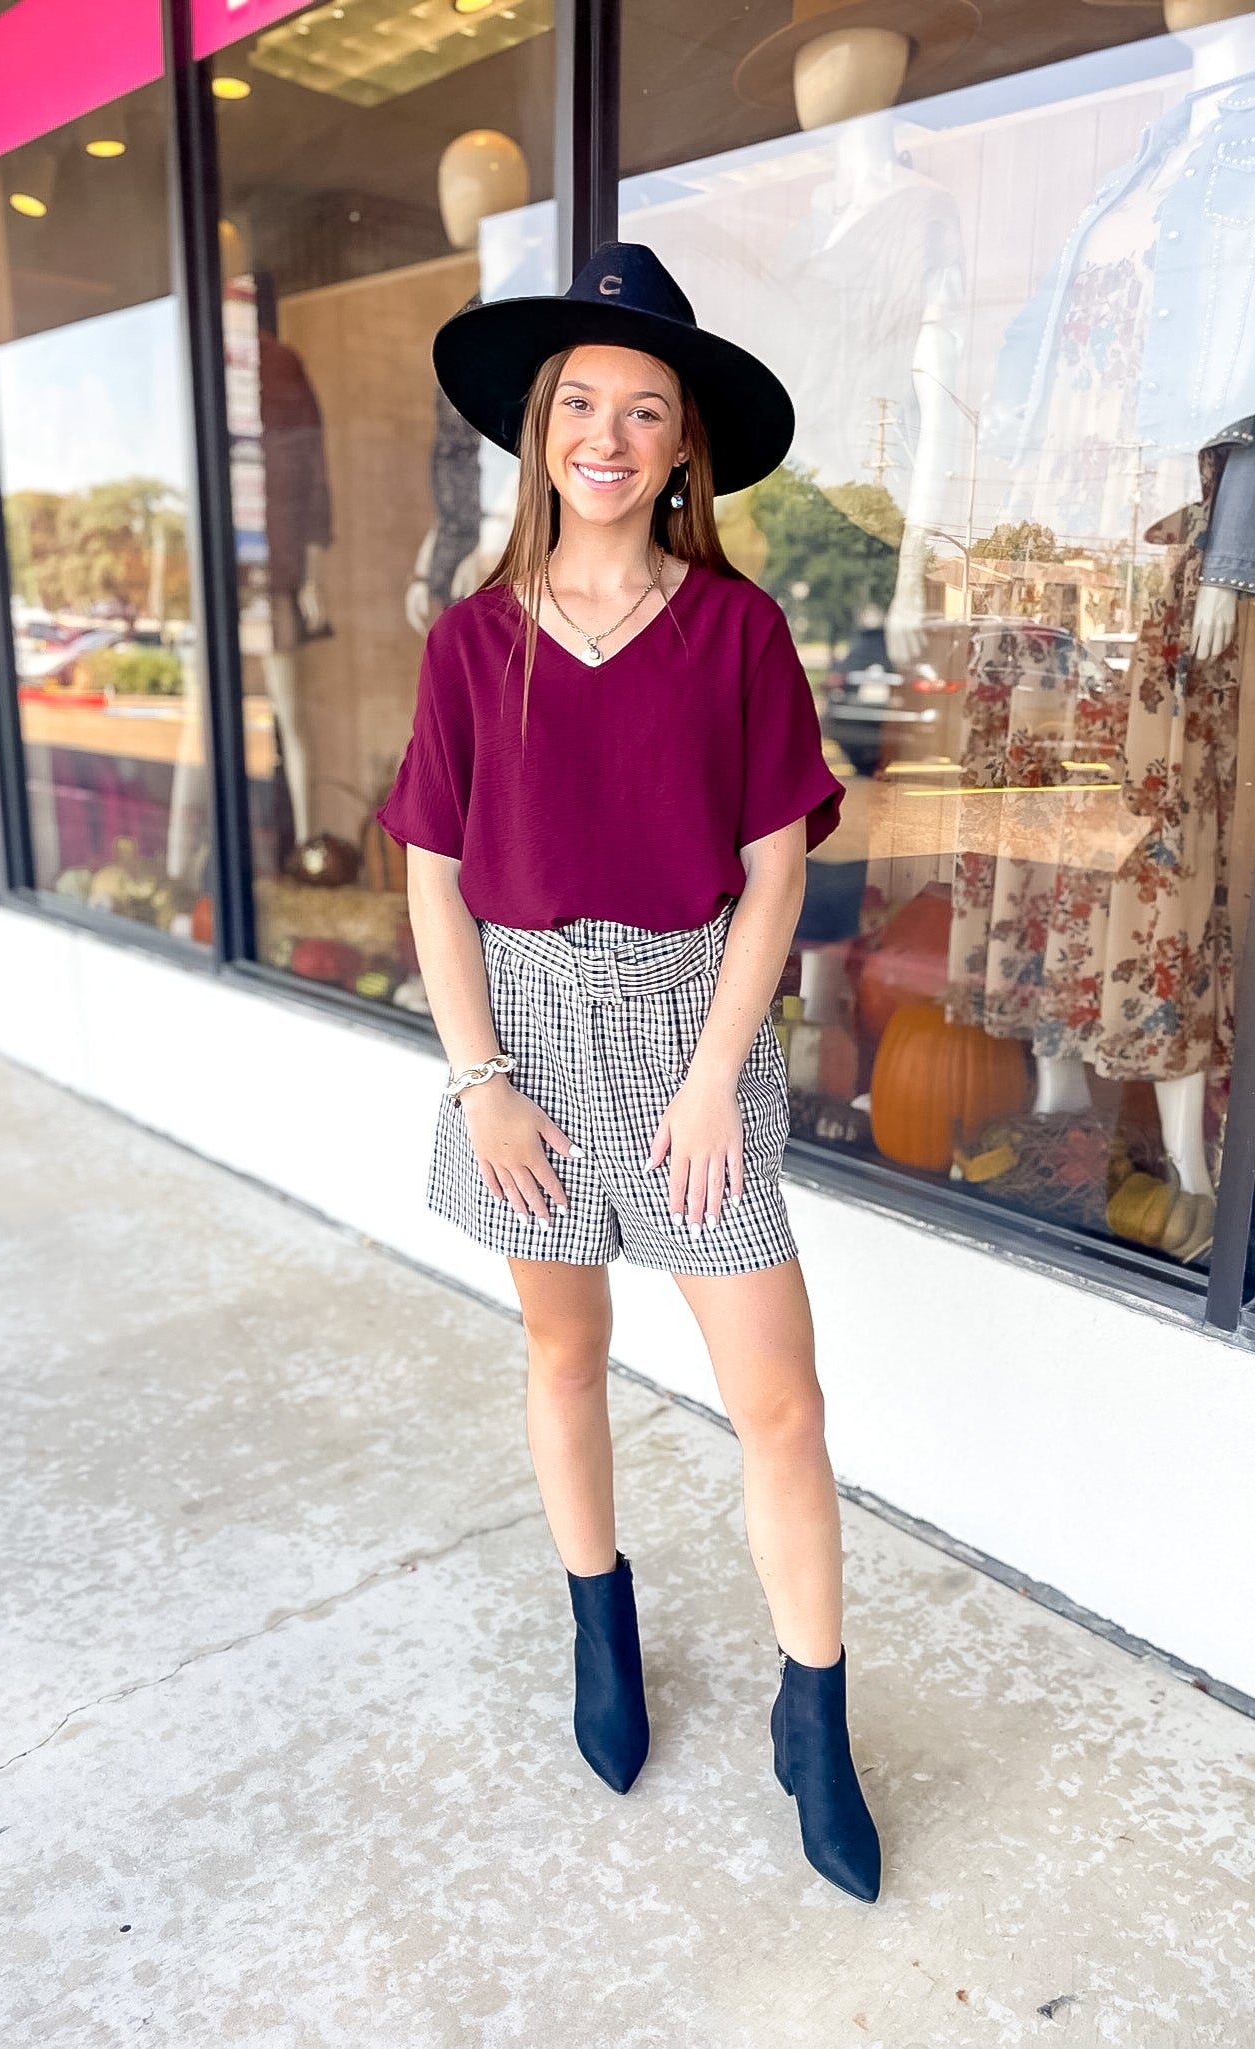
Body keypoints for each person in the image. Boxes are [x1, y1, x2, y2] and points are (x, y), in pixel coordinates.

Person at [377, 243, 880, 1904]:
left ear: (683, 450)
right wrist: (480, 1082)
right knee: (565, 1347)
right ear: (541, 431)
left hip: (692, 1023)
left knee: (781, 1400)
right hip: (520, 1035)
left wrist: (708, 1079)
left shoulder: (737, 631)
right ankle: (603, 1621)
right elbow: (435, 878)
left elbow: (778, 870)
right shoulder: (472, 641)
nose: (606, 432)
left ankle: (815, 1715)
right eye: (579, 402)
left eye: (643, 410)